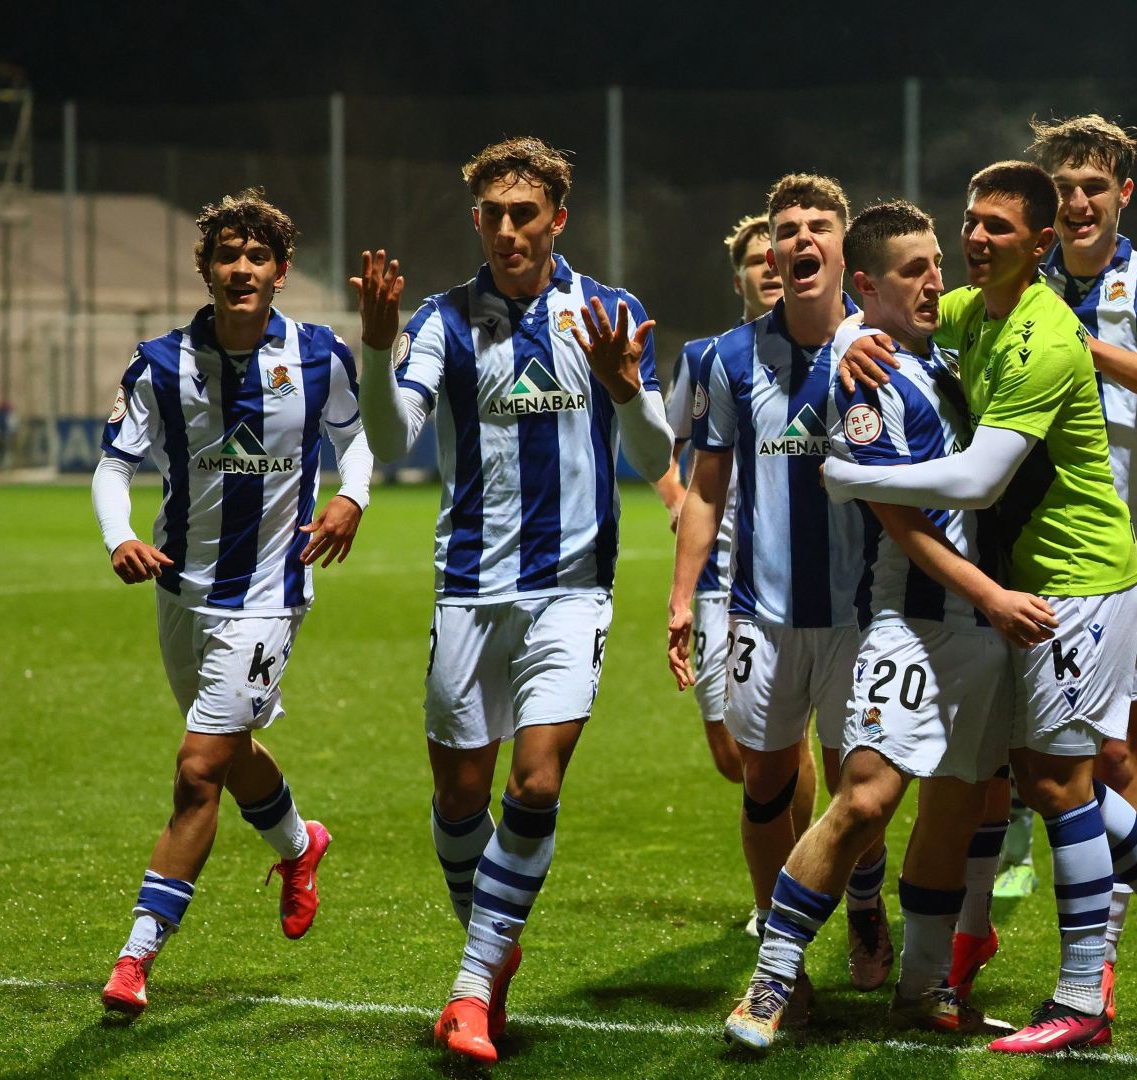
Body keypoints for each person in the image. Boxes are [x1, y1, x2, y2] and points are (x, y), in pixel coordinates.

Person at [829, 161, 1137, 1054]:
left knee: (1054, 784)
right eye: (971, 221)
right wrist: (852, 331)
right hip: (1038, 582)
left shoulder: (1046, 335)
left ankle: (1084, 994)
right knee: (1030, 773)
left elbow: (977, 479)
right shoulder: (975, 308)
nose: (974, 240)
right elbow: (901, 317)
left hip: (1078, 580)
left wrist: (855, 476)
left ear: (1041, 245)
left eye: (998, 228)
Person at [350, 136, 674, 1065]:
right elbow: (392, 436)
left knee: (534, 781)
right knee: (459, 800)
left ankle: (469, 987)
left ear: (557, 218)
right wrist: (378, 347)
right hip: (469, 589)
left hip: (573, 591)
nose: (504, 230)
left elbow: (655, 459)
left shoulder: (607, 313)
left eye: (522, 214)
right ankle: (496, 939)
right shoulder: (445, 322)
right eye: (490, 215)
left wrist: (625, 391)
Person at [725, 200, 1048, 1049]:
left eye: (937, 263)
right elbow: (898, 519)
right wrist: (986, 593)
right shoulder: (868, 378)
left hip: (982, 629)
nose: (936, 280)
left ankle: (923, 989)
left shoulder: (942, 364)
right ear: (866, 285)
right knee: (865, 802)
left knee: (954, 812)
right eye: (914, 270)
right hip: (914, 622)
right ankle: (770, 984)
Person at [90, 189, 372, 1019]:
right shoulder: (161, 362)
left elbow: (354, 442)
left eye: (257, 257)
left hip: (269, 594)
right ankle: (298, 843)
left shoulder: (320, 357)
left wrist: (352, 498)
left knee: (199, 768)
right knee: (231, 747)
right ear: (207, 270)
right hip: (181, 589)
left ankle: (136, 956)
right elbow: (114, 465)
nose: (241, 269)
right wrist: (119, 537)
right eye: (227, 256)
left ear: (281, 271)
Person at [667, 174, 894, 998]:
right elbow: (707, 487)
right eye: (786, 228)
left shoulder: (882, 345)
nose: (799, 239)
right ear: (770, 249)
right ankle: (782, 959)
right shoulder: (731, 358)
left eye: (817, 225)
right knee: (764, 786)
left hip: (864, 617)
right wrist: (684, 596)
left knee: (855, 787)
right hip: (762, 615)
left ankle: (864, 899)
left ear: (842, 246)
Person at [1022, 112, 1137, 1011]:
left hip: (1133, 559)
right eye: (1063, 191)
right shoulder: (1027, 278)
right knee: (1020, 764)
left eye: (1094, 187)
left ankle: (1108, 954)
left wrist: (1071, 343)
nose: (1079, 203)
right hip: (1035, 553)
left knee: (1114, 762)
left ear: (1123, 194)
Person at [659, 215, 816, 935]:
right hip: (718, 572)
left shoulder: (824, 351)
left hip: (779, 579)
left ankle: (789, 888)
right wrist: (680, 504)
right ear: (740, 278)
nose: (769, 268)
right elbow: (667, 450)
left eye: (774, 257)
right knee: (733, 753)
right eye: (755, 260)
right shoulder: (708, 356)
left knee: (771, 752)